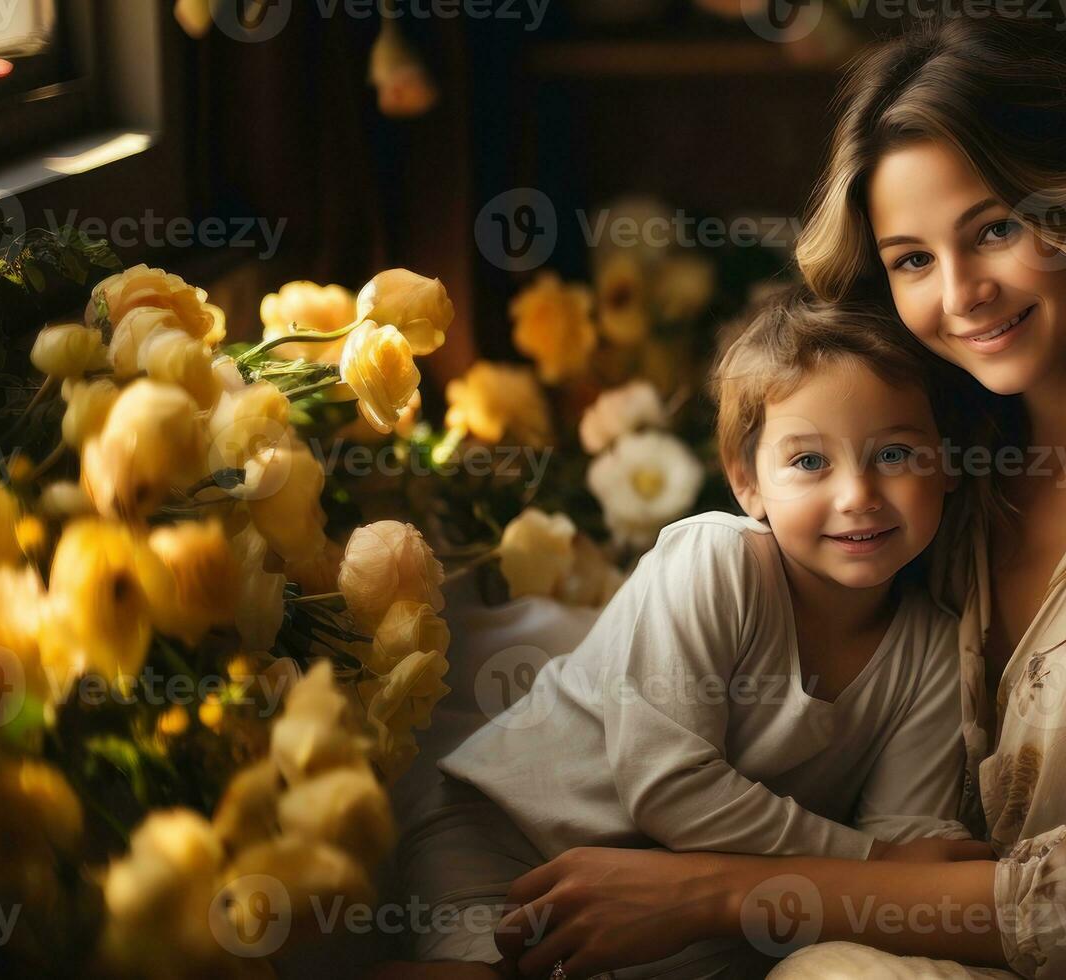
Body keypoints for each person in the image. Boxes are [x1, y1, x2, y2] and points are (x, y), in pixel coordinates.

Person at [487, 17, 1066, 980]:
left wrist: (719, 890)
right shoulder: (930, 487)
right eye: (910, 259)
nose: (962, 292)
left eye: (995, 228)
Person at [400, 286, 990, 977]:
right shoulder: (717, 560)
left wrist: (909, 867)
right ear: (747, 483)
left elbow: (905, 846)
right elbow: (669, 787)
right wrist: (872, 862)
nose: (856, 494)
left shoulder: (935, 652)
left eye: (894, 455)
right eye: (808, 462)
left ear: (947, 464)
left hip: (684, 896)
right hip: (515, 843)